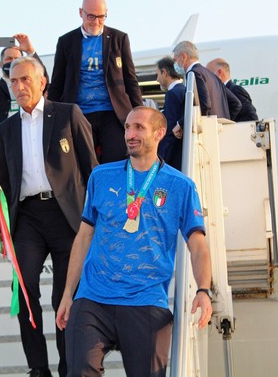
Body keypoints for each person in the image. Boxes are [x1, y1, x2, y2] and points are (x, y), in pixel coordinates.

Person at [56, 106, 213, 376]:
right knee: (80, 370)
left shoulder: (180, 185)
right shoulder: (101, 177)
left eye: (139, 127)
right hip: (94, 298)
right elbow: (84, 237)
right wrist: (68, 293)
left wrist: (203, 290)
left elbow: (197, 245)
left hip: (146, 299)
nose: (130, 133)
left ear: (159, 133)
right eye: (127, 127)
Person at [0, 57, 98, 377]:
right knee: (25, 292)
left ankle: (69, 367)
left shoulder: (68, 114)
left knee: (64, 296)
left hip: (67, 216)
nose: (18, 87)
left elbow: (92, 169)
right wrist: (0, 229)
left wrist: (96, 219)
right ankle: (38, 368)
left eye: (24, 80)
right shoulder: (6, 128)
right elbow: (3, 180)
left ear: (42, 82)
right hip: (26, 219)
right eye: (13, 82)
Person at [48, 0, 143, 164]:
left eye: (101, 17)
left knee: (116, 162)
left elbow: (130, 79)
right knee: (85, 164)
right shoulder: (66, 42)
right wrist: (49, 117)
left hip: (113, 112)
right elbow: (57, 83)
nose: (96, 21)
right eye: (91, 16)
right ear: (80, 13)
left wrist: (141, 113)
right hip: (79, 113)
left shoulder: (119, 38)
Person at [172, 40, 242, 139]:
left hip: (206, 138)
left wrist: (181, 124)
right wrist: (222, 123)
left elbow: (203, 104)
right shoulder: (212, 75)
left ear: (183, 56)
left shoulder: (193, 73)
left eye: (175, 60)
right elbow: (236, 104)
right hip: (221, 136)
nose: (175, 64)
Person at [156, 56, 186, 170]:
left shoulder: (172, 94)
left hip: (173, 157)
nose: (157, 79)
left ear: (164, 72)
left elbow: (170, 129)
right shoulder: (183, 90)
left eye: (157, 74)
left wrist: (161, 156)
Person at [206, 58, 259, 122]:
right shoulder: (221, 92)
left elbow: (252, 118)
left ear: (220, 72)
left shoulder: (235, 90)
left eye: (209, 74)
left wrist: (230, 125)